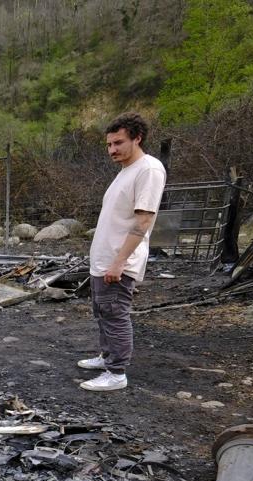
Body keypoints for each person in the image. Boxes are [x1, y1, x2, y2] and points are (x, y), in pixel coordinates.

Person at [77, 112, 167, 392]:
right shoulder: (126, 171)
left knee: (115, 314)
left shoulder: (148, 170)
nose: (112, 150)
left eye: (118, 143)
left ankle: (117, 373)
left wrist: (119, 262)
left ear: (137, 138)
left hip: (118, 261)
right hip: (105, 260)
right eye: (109, 145)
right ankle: (107, 358)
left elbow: (143, 221)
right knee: (103, 312)